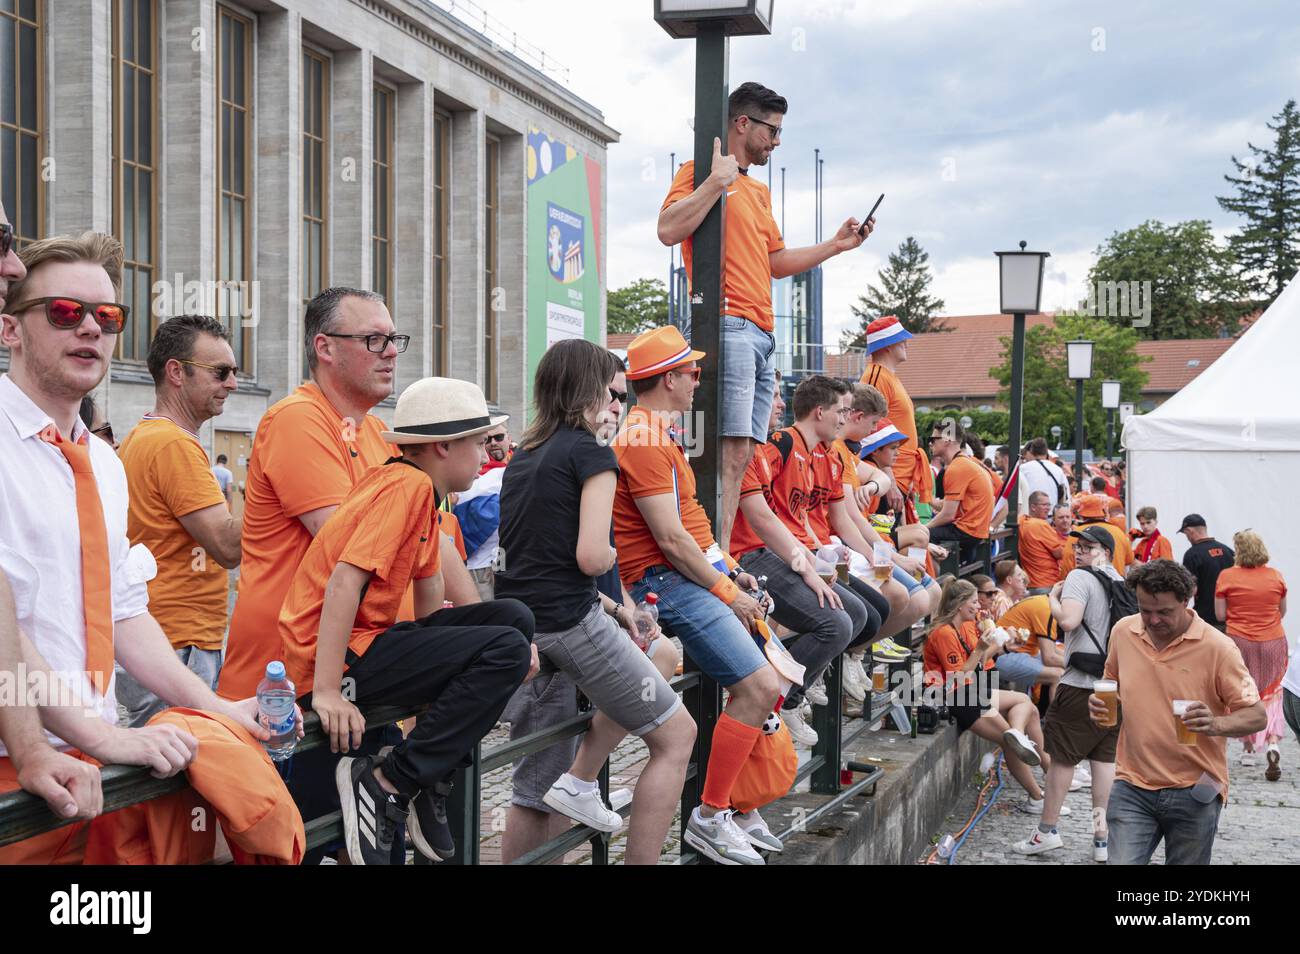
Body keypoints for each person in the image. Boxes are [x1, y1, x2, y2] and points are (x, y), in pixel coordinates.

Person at [0, 230, 280, 863]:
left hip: (89, 763)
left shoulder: (104, 461)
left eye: (107, 316)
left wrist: (214, 707)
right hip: (15, 763)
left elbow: (123, 608)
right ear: (10, 329)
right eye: (65, 312)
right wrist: (98, 734)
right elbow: (5, 627)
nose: (90, 330)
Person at [279, 377, 536, 865]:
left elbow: (428, 588)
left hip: (365, 646)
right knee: (505, 646)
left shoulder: (417, 486)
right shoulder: (407, 486)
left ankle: (430, 780)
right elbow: (343, 584)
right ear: (442, 446)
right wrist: (329, 692)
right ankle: (389, 783)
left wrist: (449, 658)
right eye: (479, 443)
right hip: (335, 661)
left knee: (514, 618)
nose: (487, 456)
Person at [495, 341, 696, 864]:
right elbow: (588, 558)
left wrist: (617, 608)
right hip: (571, 623)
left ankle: (578, 786)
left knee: (535, 786)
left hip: (528, 629)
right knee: (678, 735)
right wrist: (612, 551)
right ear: (585, 390)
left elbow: (539, 561)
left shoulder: (524, 456)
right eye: (612, 395)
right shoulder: (592, 453)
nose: (618, 407)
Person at [658, 82, 874, 555]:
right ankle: (711, 554)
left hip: (761, 332)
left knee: (743, 453)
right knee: (725, 451)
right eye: (772, 131)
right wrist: (717, 181)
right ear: (742, 123)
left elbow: (775, 261)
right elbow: (669, 229)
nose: (776, 142)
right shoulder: (700, 171)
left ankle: (719, 553)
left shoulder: (757, 191)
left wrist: (836, 246)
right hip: (728, 321)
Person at [613, 325, 778, 865]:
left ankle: (729, 807)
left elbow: (690, 529)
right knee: (759, 686)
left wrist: (730, 568)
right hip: (663, 582)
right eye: (692, 373)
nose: (697, 382)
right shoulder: (641, 436)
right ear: (667, 379)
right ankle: (712, 814)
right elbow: (670, 540)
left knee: (763, 682)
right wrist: (729, 590)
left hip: (678, 577)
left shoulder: (654, 433)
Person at [220, 286, 421, 700]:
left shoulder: (380, 435)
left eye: (393, 340)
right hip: (286, 678)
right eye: (373, 340)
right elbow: (349, 545)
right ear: (325, 348)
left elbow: (425, 540)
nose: (390, 352)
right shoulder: (298, 418)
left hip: (344, 671)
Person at [730, 378, 876, 746]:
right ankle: (784, 698)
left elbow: (792, 516)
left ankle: (794, 679)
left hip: (775, 549)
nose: (779, 405)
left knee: (858, 615)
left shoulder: (783, 449)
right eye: (773, 396)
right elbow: (766, 519)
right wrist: (809, 563)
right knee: (838, 623)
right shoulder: (771, 447)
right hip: (748, 556)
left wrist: (817, 555)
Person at [1090, 560, 1266, 865]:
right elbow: (1112, 683)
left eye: (1164, 612)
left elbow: (1256, 715)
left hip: (1195, 788)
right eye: (1145, 610)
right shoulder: (1123, 631)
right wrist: (1103, 703)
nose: (1153, 620)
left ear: (1186, 601)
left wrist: (1215, 723)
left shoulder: (1218, 648)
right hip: (1132, 783)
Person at [115, 315, 242, 726]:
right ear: (176, 372)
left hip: (159, 638)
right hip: (179, 642)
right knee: (184, 771)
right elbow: (227, 547)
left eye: (234, 372)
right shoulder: (173, 444)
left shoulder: (143, 436)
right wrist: (275, 486)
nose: (233, 384)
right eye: (220, 372)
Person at [1014, 526, 1124, 861]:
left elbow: (1069, 622)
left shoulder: (1080, 577)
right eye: (1078, 546)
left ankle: (1046, 831)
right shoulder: (1119, 579)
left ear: (1103, 550)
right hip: (1112, 684)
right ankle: (1101, 837)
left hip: (1079, 685)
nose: (1079, 552)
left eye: (1088, 547)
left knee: (1061, 758)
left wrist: (1052, 599)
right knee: (1104, 761)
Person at [922, 579, 1060, 815]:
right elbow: (957, 677)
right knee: (1009, 741)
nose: (979, 606)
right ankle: (1037, 796)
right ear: (959, 606)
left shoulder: (965, 626)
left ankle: (1033, 751)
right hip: (956, 698)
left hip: (971, 690)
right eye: (974, 602)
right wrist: (980, 649)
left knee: (1027, 705)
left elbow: (980, 663)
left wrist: (1005, 647)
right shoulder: (943, 633)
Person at [1214, 530, 1288, 779]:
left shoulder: (1227, 576)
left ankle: (1247, 749)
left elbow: (1220, 616)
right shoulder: (1275, 576)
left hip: (1240, 640)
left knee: (1245, 691)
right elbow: (1282, 611)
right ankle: (1273, 742)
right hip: (1273, 641)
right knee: (1273, 693)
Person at [860, 315, 933, 510]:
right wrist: (888, 479)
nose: (906, 344)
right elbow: (870, 431)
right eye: (901, 340)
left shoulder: (887, 376)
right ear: (887, 345)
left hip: (899, 474)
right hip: (891, 476)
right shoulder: (877, 376)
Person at [926, 417, 994, 564]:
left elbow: (948, 515)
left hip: (967, 531)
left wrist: (923, 528)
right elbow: (949, 506)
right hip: (977, 532)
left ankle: (925, 581)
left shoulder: (957, 468)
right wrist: (928, 498)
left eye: (933, 439)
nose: (930, 443)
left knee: (921, 537)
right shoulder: (965, 462)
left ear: (947, 441)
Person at [456, 422, 508, 601]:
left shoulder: (515, 471)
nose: (493, 443)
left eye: (499, 437)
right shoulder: (467, 476)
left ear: (508, 439)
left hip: (503, 566)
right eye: (486, 440)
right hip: (474, 568)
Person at [995, 593, 1065, 697]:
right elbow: (1049, 658)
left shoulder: (1044, 601)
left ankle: (1042, 708)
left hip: (1018, 651)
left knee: (1063, 665)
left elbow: (1052, 649)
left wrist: (1073, 658)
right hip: (1001, 654)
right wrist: (1078, 665)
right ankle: (1055, 713)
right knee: (1059, 675)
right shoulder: (1046, 609)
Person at [992, 436, 1068, 527]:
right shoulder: (1058, 470)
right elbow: (1064, 497)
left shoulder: (1023, 469)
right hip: (1051, 519)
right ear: (1046, 451)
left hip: (1029, 521)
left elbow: (1017, 501)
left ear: (1030, 451)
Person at [1178, 514, 1234, 631]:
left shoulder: (1192, 554)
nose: (1187, 538)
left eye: (1186, 534)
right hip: (1231, 619)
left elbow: (1191, 589)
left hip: (1207, 621)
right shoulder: (1228, 551)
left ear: (1189, 531)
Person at [1059, 494, 1133, 578]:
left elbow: (1067, 566)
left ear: (1081, 515)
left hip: (1087, 586)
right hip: (1116, 587)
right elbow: (1129, 560)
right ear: (1103, 513)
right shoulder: (1118, 531)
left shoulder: (1077, 534)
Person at [1017, 491, 1066, 593]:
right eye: (1044, 505)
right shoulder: (1040, 524)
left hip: (1031, 583)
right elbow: (1060, 553)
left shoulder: (1022, 521)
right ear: (1033, 507)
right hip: (1047, 583)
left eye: (1049, 505)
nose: (1048, 508)